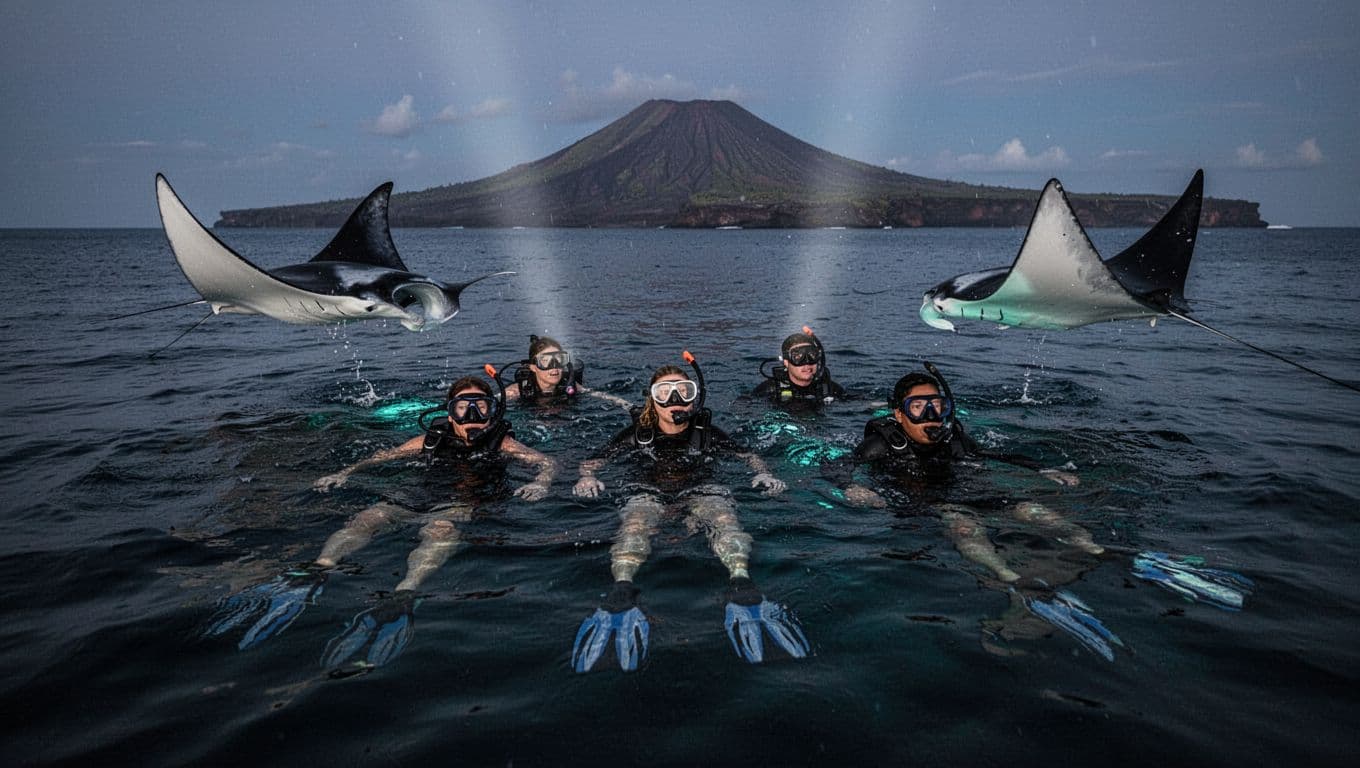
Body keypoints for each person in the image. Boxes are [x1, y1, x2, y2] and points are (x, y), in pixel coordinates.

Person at [204, 373, 556, 673]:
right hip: (415, 496)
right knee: (371, 516)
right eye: (463, 407)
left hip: (460, 502)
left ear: (493, 412)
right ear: (450, 413)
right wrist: (344, 472)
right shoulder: (429, 440)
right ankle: (320, 567)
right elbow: (382, 456)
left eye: (481, 406)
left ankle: (405, 590)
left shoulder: (504, 443)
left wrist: (540, 482)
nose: (473, 415)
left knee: (440, 529)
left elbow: (546, 463)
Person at [569, 352, 809, 672]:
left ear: (694, 399)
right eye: (665, 394)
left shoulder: (706, 434)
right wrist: (587, 476)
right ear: (652, 403)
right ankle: (621, 589)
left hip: (700, 492)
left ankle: (742, 583)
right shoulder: (636, 436)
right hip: (647, 492)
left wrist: (762, 472)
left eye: (684, 391)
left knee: (722, 516)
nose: (675, 400)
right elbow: (592, 462)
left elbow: (749, 456)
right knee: (636, 523)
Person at [503, 334, 631, 410]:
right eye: (545, 361)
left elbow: (601, 396)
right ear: (533, 367)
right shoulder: (516, 391)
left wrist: (627, 405)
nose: (554, 366)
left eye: (559, 359)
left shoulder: (568, 384)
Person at [750, 327, 847, 408]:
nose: (807, 363)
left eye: (812, 355)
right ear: (786, 362)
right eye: (798, 357)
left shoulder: (831, 389)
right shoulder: (769, 390)